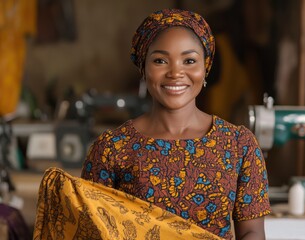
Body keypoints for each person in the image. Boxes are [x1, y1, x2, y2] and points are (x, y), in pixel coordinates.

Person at [80, 8, 271, 240]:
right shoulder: (112, 149)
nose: (176, 73)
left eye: (189, 60)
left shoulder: (240, 145)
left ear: (205, 67)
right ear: (143, 68)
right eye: (160, 60)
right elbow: (90, 231)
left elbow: (251, 232)